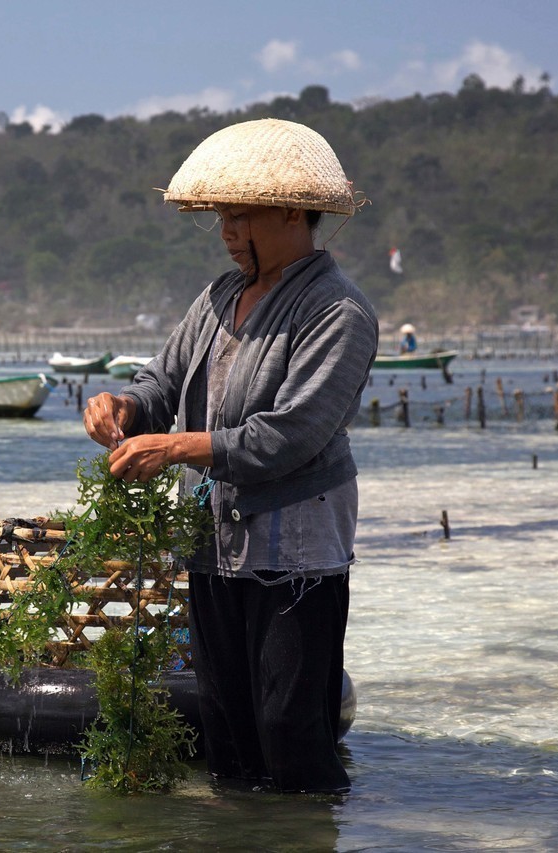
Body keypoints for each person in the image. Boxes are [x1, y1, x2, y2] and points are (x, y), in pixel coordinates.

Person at [82, 118, 378, 794]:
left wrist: (179, 446)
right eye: (221, 215)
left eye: (239, 216)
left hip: (295, 555)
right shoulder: (218, 298)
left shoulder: (338, 311)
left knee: (290, 733)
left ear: (288, 214)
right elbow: (162, 382)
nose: (224, 230)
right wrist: (123, 408)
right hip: (214, 546)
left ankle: (309, 838)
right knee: (229, 735)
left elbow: (292, 433)